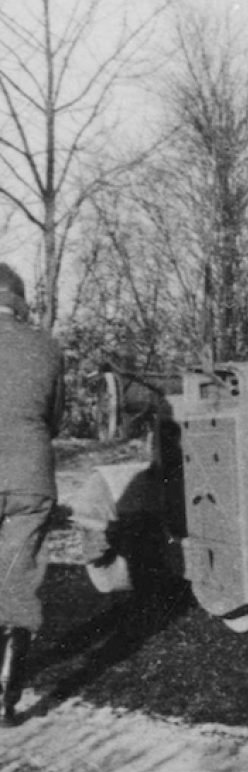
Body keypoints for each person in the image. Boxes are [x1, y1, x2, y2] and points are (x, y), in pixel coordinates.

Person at [0, 263, 66, 727]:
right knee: (17, 578)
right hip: (30, 474)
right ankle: (5, 699)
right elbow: (54, 419)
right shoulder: (47, 347)